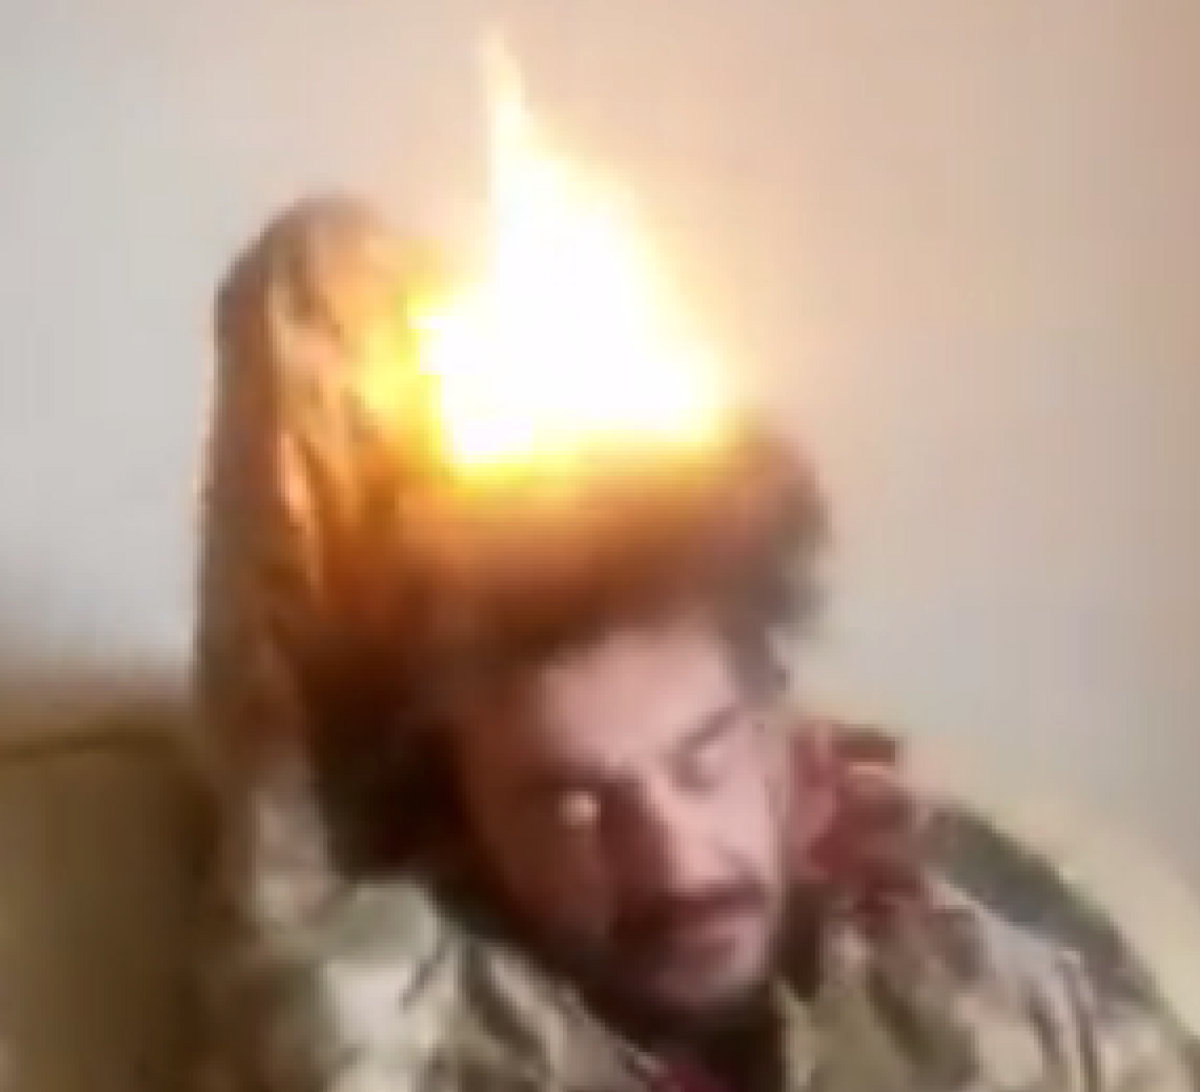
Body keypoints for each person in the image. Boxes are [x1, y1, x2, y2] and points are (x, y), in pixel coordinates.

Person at [194, 196, 1196, 1092]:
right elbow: (309, 291)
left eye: (702, 761)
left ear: (772, 728)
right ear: (467, 810)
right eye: (576, 805)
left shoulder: (974, 988)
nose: (671, 861)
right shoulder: (385, 1024)